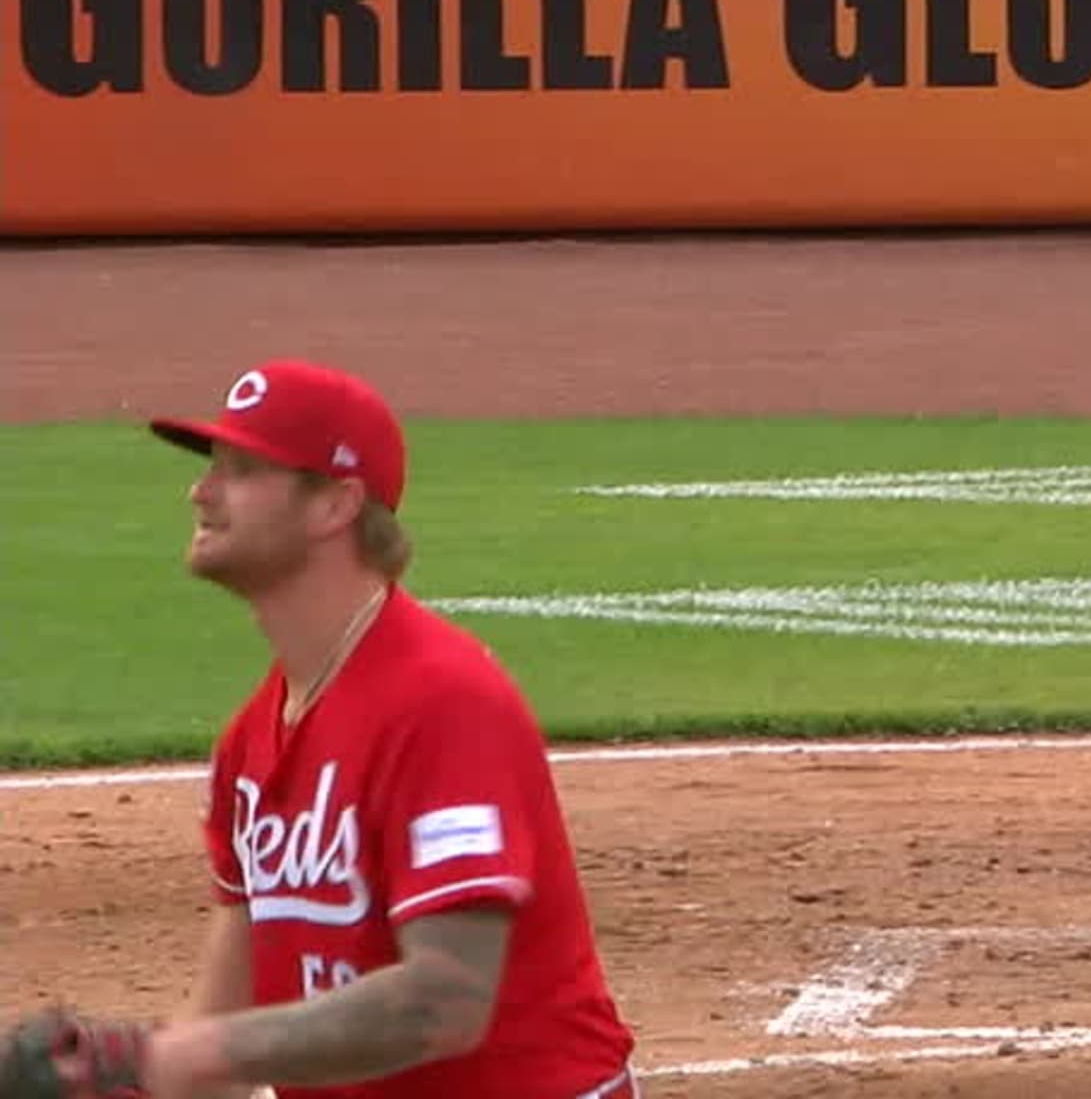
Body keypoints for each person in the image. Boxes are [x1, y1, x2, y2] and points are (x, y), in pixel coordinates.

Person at [2, 360, 638, 1097]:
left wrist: (157, 1059)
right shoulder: (249, 745)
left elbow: (446, 1001)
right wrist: (122, 1082)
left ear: (334, 505)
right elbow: (222, 1030)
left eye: (241, 470)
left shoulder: (441, 699)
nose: (201, 491)